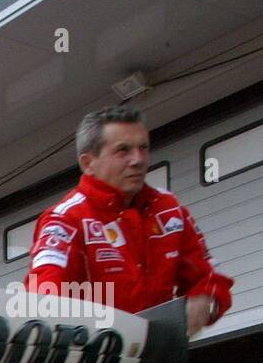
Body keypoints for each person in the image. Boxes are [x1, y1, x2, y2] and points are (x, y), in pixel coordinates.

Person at [24, 105, 233, 336]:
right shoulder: (65, 219)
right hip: (97, 361)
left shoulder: (169, 209)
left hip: (161, 358)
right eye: (123, 150)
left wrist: (205, 298)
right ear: (88, 163)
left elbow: (209, 278)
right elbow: (44, 295)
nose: (138, 160)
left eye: (143, 148)